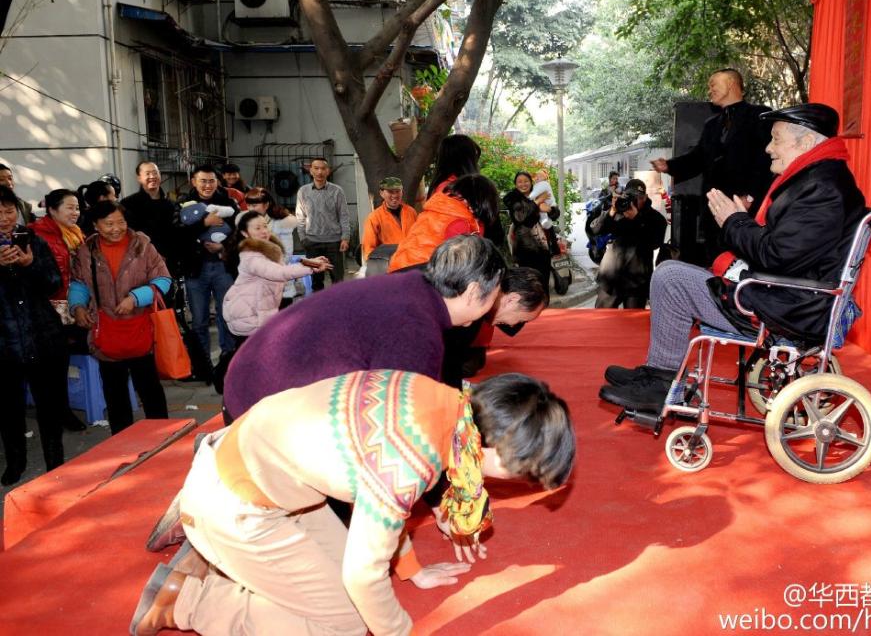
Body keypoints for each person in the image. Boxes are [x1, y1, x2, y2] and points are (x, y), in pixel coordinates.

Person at [132, 369, 575, 636]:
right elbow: (364, 574)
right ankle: (188, 598)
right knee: (343, 622)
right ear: (495, 447)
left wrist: (412, 570)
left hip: (259, 477)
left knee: (339, 589)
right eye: (520, 474)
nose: (512, 484)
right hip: (232, 504)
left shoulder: (442, 401)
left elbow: (384, 494)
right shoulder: (412, 459)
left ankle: (227, 565)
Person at [602, 103, 866, 411]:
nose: (768, 148)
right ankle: (658, 372)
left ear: (805, 142)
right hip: (786, 297)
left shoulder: (822, 187)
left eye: (776, 139)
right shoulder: (819, 179)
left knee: (670, 277)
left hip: (788, 307)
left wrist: (734, 221)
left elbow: (777, 256)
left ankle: (662, 382)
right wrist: (744, 220)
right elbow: (788, 249)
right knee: (674, 271)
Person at [223, 234, 506, 422]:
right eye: (496, 294)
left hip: (251, 385)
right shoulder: (417, 327)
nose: (496, 304)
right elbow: (406, 426)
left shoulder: (413, 288)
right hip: (260, 412)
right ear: (473, 291)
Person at [650, 68, 773, 263]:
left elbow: (767, 162)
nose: (710, 89)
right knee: (716, 262)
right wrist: (669, 166)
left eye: (713, 84)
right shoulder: (712, 124)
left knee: (743, 262)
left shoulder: (760, 116)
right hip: (713, 213)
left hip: (746, 209)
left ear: (732, 83)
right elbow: (697, 159)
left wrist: (751, 196)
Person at [69, 201, 172, 435]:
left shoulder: (142, 246)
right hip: (106, 331)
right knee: (115, 394)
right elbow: (79, 283)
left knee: (150, 389)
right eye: (109, 224)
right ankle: (122, 441)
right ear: (95, 225)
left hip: (140, 331)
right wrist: (77, 306)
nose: (116, 228)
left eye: (121, 222)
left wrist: (135, 298)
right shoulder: (87, 251)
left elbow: (163, 280)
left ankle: (164, 436)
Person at [0, 185, 67, 485]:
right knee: (9, 411)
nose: (4, 217)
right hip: (5, 344)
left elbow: (53, 282)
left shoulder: (34, 242)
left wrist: (30, 265)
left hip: (43, 338)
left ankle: (56, 462)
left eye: (9, 210)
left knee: (49, 407)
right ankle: (15, 462)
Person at [222, 211, 331, 347]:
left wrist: (310, 262)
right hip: (247, 315)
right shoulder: (251, 256)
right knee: (252, 359)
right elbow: (279, 272)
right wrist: (312, 267)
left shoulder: (268, 250)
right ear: (245, 233)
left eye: (265, 226)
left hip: (259, 311)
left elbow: (284, 267)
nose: (263, 231)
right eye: (257, 228)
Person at [29, 189, 89, 432]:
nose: (75, 213)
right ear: (52, 209)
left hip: (71, 304)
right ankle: (57, 412)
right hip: (47, 308)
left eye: (77, 208)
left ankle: (60, 409)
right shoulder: (36, 235)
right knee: (51, 364)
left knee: (61, 361)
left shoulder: (76, 233)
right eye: (70, 208)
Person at [441, 266, 549, 388]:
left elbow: (450, 364)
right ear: (512, 299)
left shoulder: (480, 304)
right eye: (521, 320)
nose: (513, 325)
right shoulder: (467, 301)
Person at [174, 164, 240, 366]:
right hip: (196, 269)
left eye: (211, 180)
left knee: (226, 315)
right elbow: (177, 234)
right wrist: (205, 223)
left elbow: (240, 233)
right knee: (199, 319)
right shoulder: (183, 203)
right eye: (203, 180)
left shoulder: (228, 203)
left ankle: (228, 359)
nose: (207, 185)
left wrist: (223, 247)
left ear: (217, 182)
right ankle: (202, 364)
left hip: (223, 267)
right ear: (194, 181)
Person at [388, 173, 500, 273]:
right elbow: (460, 267)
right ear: (481, 201)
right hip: (420, 274)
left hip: (399, 268)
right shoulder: (458, 222)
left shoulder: (439, 209)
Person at [592, 179, 667, 309]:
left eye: (640, 197)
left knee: (632, 325)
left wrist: (637, 219)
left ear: (646, 197)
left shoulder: (656, 218)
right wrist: (611, 212)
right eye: (632, 196)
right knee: (601, 321)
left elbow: (655, 243)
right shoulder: (618, 211)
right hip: (611, 277)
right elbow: (596, 230)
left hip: (636, 281)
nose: (636, 200)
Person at [294, 156, 349, 291]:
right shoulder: (303, 191)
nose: (319, 172)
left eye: (323, 168)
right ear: (310, 171)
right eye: (316, 168)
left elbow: (344, 215)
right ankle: (319, 310)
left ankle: (339, 309)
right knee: (316, 281)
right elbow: (300, 216)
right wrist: (303, 238)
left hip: (334, 242)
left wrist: (345, 237)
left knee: (338, 280)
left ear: (328, 171)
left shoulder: (337, 191)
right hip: (312, 242)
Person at [243, 187, 301, 306]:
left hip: (277, 276)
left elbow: (286, 253)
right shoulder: (246, 223)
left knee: (283, 318)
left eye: (254, 205)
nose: (250, 209)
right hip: (255, 278)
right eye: (248, 205)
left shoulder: (281, 223)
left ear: (266, 205)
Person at [122, 162, 178, 270]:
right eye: (147, 174)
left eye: (155, 173)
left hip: (169, 263)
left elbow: (175, 234)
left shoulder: (171, 204)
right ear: (139, 178)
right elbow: (129, 235)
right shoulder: (128, 204)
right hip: (141, 264)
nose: (152, 177)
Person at [359, 176, 418, 263]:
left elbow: (419, 237)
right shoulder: (374, 217)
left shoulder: (411, 212)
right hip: (389, 265)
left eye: (398, 191)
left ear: (402, 192)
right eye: (390, 192)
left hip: (412, 262)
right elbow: (369, 250)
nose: (394, 195)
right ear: (381, 193)